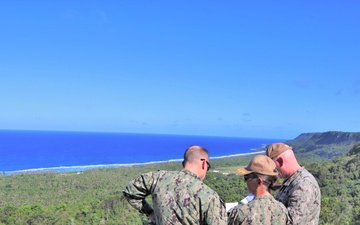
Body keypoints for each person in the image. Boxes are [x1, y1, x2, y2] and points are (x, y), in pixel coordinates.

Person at [123, 145, 228, 225]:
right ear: (204, 163)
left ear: (184, 164)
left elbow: (129, 191)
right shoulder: (210, 196)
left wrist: (150, 212)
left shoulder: (158, 178)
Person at [266, 142, 321, 225]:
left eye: (274, 167)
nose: (274, 171)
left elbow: (293, 222)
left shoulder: (303, 184)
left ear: (281, 161)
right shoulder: (291, 180)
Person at [227, 155, 290, 225]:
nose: (245, 181)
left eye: (246, 177)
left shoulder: (241, 212)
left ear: (259, 181)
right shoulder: (282, 210)